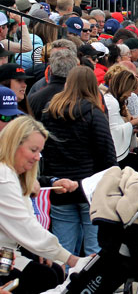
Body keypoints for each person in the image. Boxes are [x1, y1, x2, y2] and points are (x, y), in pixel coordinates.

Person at [0, 116, 85, 293]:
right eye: (33, 150)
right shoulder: (4, 177)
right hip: (5, 258)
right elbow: (25, 227)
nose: (37, 157)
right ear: (14, 144)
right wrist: (70, 259)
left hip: (7, 256)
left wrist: (46, 251)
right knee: (46, 277)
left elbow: (29, 221)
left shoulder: (12, 176)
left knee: (51, 273)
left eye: (39, 151)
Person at [40, 66, 117, 256]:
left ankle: (64, 283)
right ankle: (93, 285)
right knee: (94, 250)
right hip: (89, 188)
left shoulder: (50, 111)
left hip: (59, 186)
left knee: (63, 250)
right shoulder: (94, 114)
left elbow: (45, 151)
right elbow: (107, 154)